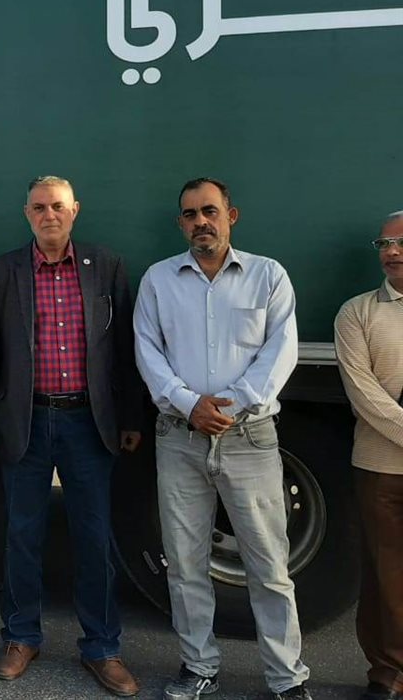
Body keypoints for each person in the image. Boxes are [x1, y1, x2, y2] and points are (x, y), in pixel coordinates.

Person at [134, 177, 312, 700]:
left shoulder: (268, 276)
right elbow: (147, 350)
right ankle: (198, 667)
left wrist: (230, 405)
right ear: (180, 224)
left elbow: (281, 350)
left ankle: (286, 677)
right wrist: (190, 404)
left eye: (209, 211)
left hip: (249, 439)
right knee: (185, 564)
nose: (200, 223)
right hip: (180, 438)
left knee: (269, 566)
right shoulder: (158, 280)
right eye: (190, 215)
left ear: (231, 216)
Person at [0, 176, 142, 695]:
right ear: (28, 214)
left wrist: (130, 418)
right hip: (24, 421)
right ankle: (20, 637)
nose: (50, 215)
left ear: (75, 211)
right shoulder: (0, 273)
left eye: (58, 206)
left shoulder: (105, 266)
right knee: (22, 535)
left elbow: (124, 350)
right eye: (40, 207)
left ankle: (102, 647)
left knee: (94, 536)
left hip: (88, 423)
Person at [334, 210, 403, 700]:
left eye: (402, 243)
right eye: (384, 244)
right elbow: (363, 394)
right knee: (386, 577)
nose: (392, 252)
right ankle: (388, 674)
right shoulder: (357, 312)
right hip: (381, 469)